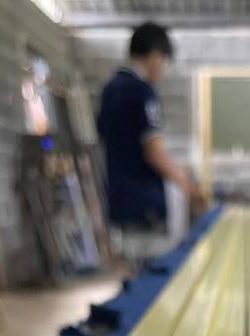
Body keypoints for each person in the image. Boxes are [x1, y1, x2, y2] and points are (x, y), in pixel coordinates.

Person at [97, 21, 201, 265]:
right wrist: (187, 185)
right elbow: (154, 153)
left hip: (119, 201)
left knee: (135, 273)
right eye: (164, 61)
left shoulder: (110, 90)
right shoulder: (142, 93)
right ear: (154, 55)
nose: (162, 69)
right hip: (145, 205)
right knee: (154, 275)